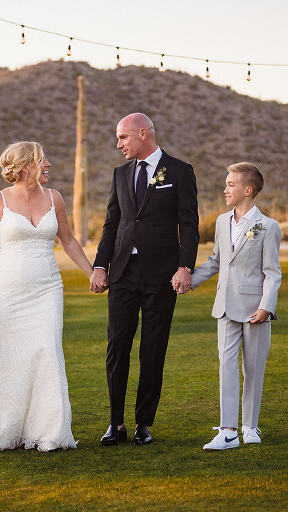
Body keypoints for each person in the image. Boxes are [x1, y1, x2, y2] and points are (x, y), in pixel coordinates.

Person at [0, 141, 93, 452]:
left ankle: (50, 431)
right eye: (43, 160)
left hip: (48, 289)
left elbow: (68, 240)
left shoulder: (55, 198)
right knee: (11, 355)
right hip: (9, 292)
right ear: (27, 167)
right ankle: (8, 426)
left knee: (48, 351)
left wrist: (92, 273)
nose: (49, 165)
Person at [90, 113, 199, 446]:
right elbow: (112, 224)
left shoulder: (179, 171)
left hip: (161, 275)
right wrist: (100, 265)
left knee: (153, 349)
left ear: (142, 133)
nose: (118, 144)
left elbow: (189, 224)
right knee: (117, 348)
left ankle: (143, 423)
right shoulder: (120, 174)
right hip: (123, 273)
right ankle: (116, 422)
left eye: (123, 137)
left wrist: (185, 267)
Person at [189, 162, 281, 451]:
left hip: (255, 311)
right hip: (225, 308)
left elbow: (272, 273)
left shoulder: (268, 227)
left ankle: (250, 427)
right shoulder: (220, 222)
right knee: (226, 367)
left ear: (248, 190)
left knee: (252, 369)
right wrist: (190, 281)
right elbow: (216, 261)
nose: (225, 189)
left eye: (231, 184)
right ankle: (228, 431)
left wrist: (267, 307)